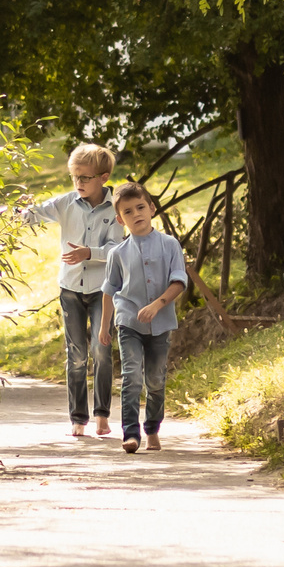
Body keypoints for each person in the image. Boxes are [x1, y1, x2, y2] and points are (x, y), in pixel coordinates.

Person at [19, 143, 122, 437]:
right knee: (76, 355)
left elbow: (117, 249)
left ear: (103, 177)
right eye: (75, 177)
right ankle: (79, 418)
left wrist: (89, 253)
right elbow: (34, 215)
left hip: (103, 290)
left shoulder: (115, 208)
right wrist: (17, 208)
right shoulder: (66, 202)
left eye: (85, 178)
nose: (79, 183)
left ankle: (102, 415)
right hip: (70, 290)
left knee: (101, 350)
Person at [97, 181, 189, 454]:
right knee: (131, 377)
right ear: (120, 219)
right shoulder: (118, 253)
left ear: (151, 208)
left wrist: (158, 305)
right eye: (128, 212)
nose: (136, 214)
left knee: (156, 379)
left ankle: (152, 429)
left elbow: (179, 282)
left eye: (140, 207)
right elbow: (109, 290)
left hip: (160, 324)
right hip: (129, 323)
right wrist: (105, 328)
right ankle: (131, 434)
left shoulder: (170, 244)